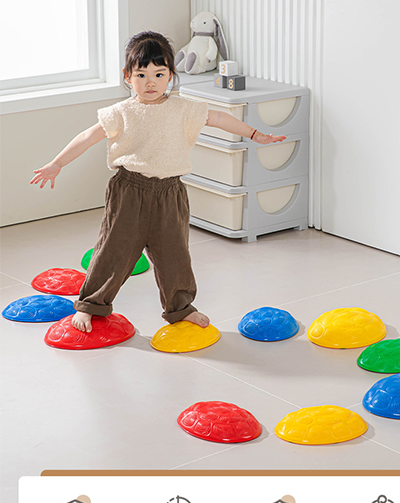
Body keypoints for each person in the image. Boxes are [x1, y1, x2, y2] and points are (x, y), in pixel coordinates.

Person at [30, 31, 285, 334]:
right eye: (141, 74)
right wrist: (56, 164)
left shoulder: (183, 109)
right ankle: (91, 304)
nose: (150, 82)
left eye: (158, 74)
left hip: (170, 193)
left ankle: (181, 308)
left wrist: (255, 135)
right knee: (114, 251)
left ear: (170, 76)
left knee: (175, 254)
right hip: (129, 192)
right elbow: (88, 136)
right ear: (128, 76)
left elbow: (218, 118)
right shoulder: (122, 112)